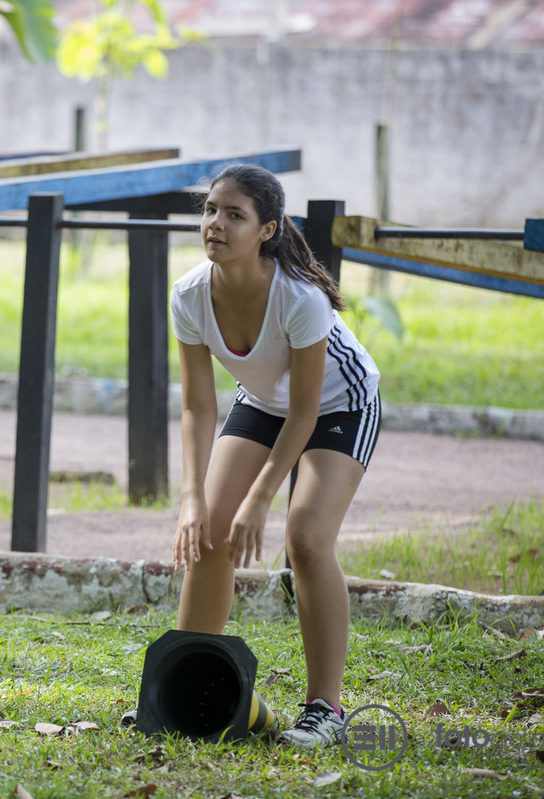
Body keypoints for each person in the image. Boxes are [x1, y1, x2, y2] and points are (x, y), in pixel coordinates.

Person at [169, 164, 381, 748]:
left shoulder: (299, 298)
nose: (215, 224)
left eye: (234, 215)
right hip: (263, 402)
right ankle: (184, 685)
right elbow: (197, 407)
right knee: (210, 531)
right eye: (210, 210)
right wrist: (192, 499)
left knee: (306, 537)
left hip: (340, 406)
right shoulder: (189, 294)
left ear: (267, 230)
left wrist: (261, 498)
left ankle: (325, 710)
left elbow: (306, 413)